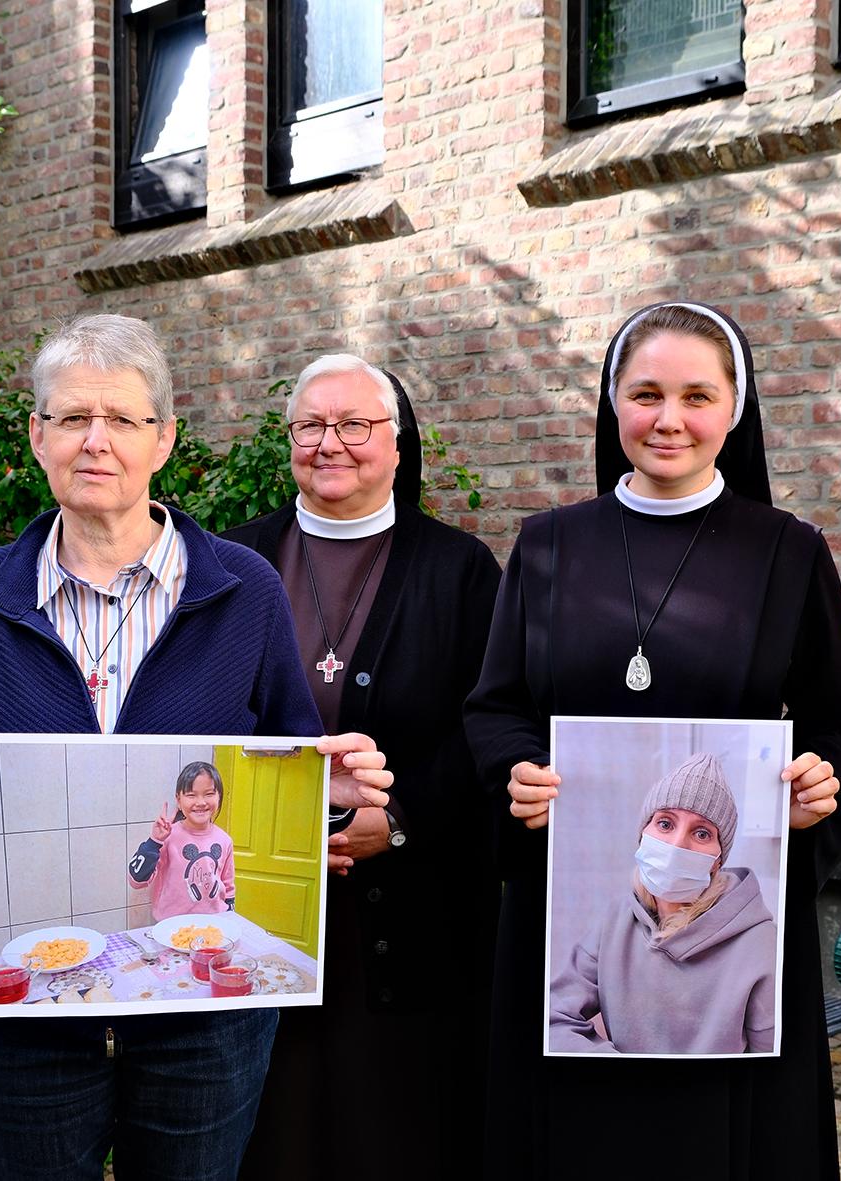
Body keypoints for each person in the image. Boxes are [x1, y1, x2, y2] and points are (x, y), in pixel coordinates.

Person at [0, 314, 393, 1181]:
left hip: (200, 1019)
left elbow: (299, 753)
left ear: (165, 439)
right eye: (72, 417)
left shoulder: (244, 590)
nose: (96, 440)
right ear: (37, 436)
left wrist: (333, 788)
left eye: (122, 418)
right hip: (24, 1021)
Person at [465, 301, 841, 1180]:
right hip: (566, 903)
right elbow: (495, 706)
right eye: (646, 393)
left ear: (735, 409)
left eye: (698, 395)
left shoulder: (789, 553)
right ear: (614, 405)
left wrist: (820, 778)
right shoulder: (547, 547)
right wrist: (516, 771)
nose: (670, 419)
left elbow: (836, 715)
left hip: (741, 928)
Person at [224, 354, 501, 1180]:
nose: (329, 443)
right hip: (255, 897)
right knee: (273, 1132)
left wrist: (403, 817)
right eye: (310, 425)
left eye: (353, 425)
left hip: (406, 916)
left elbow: (486, 728)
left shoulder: (460, 570)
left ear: (398, 443)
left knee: (393, 1133)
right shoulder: (232, 564)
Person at [547, 751, 777, 1055]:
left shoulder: (760, 943)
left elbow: (771, 1069)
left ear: (717, 860)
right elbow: (554, 1016)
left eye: (701, 832)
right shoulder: (615, 920)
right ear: (643, 834)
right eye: (666, 824)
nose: (677, 844)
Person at [129, 760, 236, 919]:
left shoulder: (225, 840)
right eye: (191, 795)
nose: (201, 802)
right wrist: (154, 842)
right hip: (171, 925)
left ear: (219, 796)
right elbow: (136, 880)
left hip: (215, 921)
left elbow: (228, 886)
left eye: (209, 794)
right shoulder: (167, 837)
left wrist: (230, 917)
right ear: (178, 800)